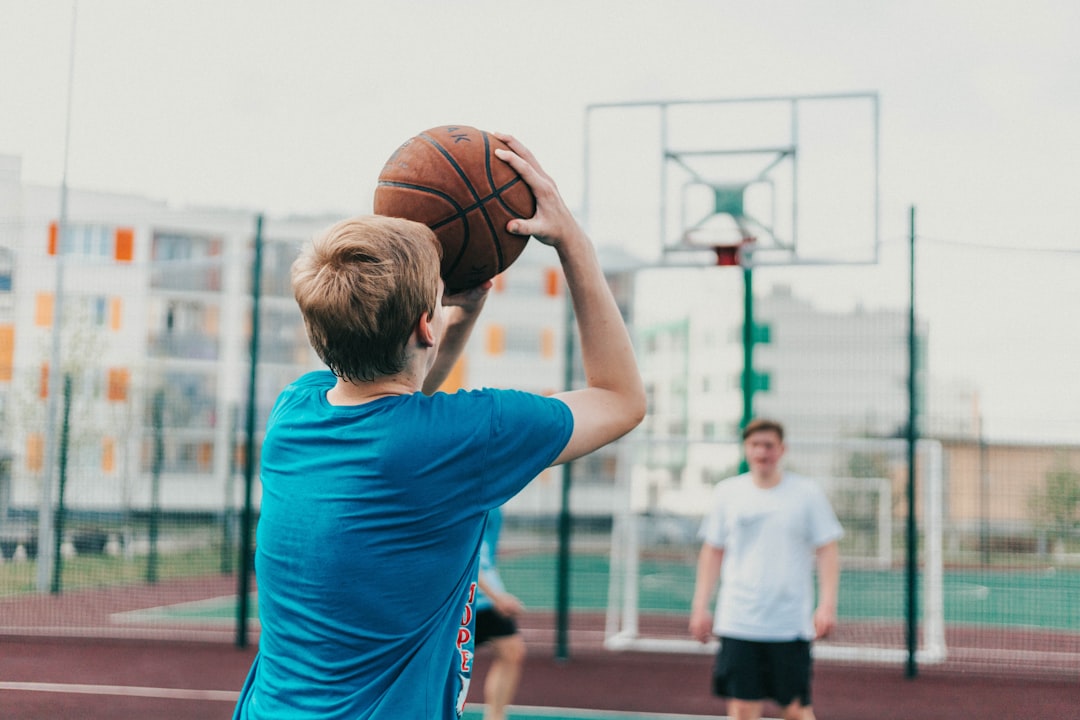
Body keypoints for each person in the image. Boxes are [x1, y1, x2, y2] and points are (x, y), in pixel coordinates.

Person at [232, 134, 646, 720]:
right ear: (425, 325)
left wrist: (458, 318)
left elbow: (397, 404)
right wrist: (572, 241)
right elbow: (620, 397)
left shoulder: (296, 411)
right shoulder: (465, 436)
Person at [689, 418, 842, 720]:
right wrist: (700, 606)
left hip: (789, 623)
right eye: (755, 445)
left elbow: (828, 550)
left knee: (796, 709)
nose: (762, 452)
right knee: (743, 709)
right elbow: (712, 551)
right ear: (746, 449)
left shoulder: (806, 493)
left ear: (782, 449)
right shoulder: (727, 493)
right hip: (739, 620)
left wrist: (826, 605)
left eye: (768, 445)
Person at [472, 505, 525, 720]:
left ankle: (495, 716)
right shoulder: (466, 501)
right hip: (463, 601)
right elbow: (465, 558)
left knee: (511, 651)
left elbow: (485, 557)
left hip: (485, 600)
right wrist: (498, 598)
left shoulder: (495, 509)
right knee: (443, 666)